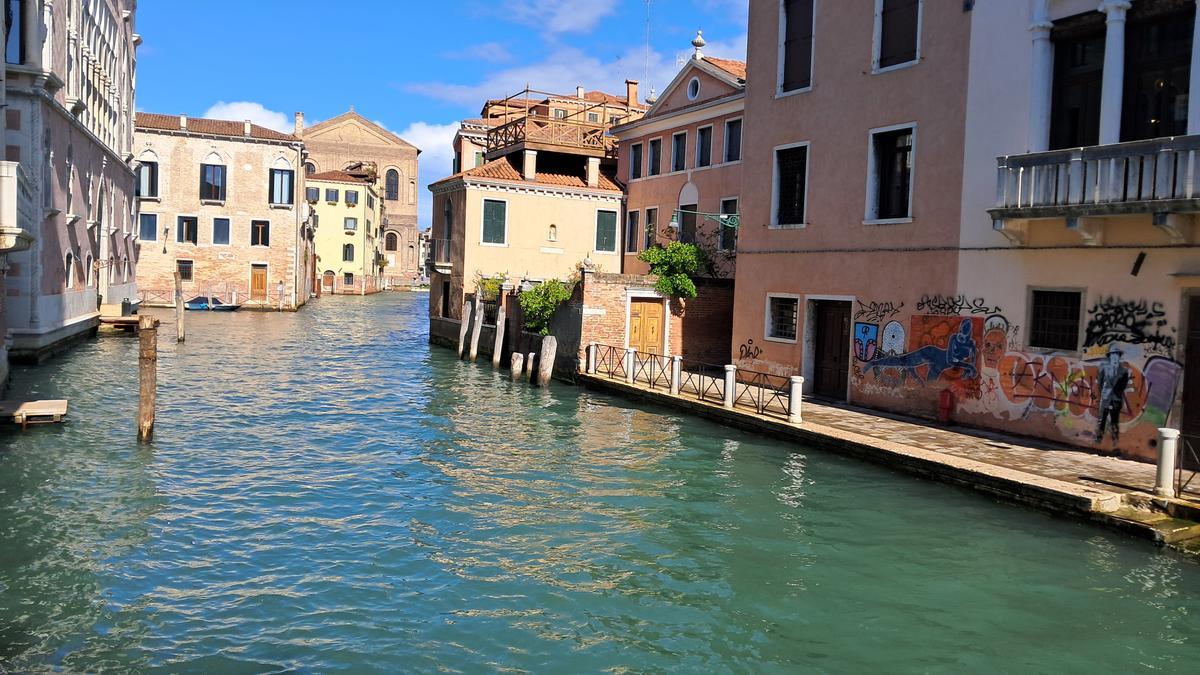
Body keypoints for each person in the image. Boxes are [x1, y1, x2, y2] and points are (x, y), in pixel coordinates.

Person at [1095, 344, 1130, 446]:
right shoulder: (1104, 368)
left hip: (1116, 399)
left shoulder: (1124, 371)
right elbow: (1100, 383)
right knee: (1102, 419)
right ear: (1110, 356)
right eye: (1113, 355)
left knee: (1115, 420)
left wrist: (1115, 394)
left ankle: (1115, 439)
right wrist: (1105, 393)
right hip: (1105, 397)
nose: (1115, 357)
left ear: (1119, 357)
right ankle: (1099, 438)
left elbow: (1123, 386)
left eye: (1117, 355)